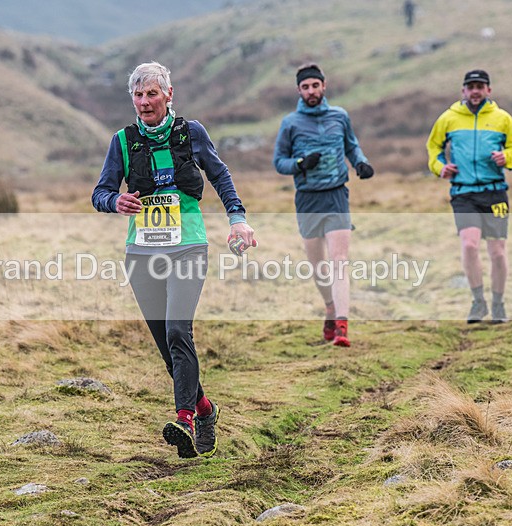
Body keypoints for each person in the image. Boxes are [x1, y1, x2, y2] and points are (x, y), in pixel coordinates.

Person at [92, 61, 255, 459]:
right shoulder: (123, 141)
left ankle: (183, 418)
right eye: (138, 94)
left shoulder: (191, 133)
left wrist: (237, 219)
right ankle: (205, 410)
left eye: (152, 93)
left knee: (179, 331)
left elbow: (220, 175)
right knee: (168, 348)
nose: (144, 102)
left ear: (169, 95)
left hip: (188, 246)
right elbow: (100, 192)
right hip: (141, 253)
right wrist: (115, 201)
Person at [273, 62, 374, 347]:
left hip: (336, 194)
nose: (311, 91)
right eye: (305, 87)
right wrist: (301, 163)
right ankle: (330, 307)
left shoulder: (339, 116)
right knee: (318, 266)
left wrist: (361, 163)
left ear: (324, 86)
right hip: (307, 198)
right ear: (299, 90)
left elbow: (351, 145)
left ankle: (342, 326)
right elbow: (279, 162)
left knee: (339, 261)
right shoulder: (290, 123)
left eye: (315, 85)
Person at [426, 69, 512, 323]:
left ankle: (498, 303)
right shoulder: (449, 118)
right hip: (463, 193)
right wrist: (441, 167)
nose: (475, 91)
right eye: (470, 86)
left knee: (497, 252)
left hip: (495, 192)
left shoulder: (502, 118)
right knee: (469, 245)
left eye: (480, 86)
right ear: (463, 91)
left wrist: (508, 158)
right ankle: (478, 302)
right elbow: (433, 147)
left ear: (488, 90)